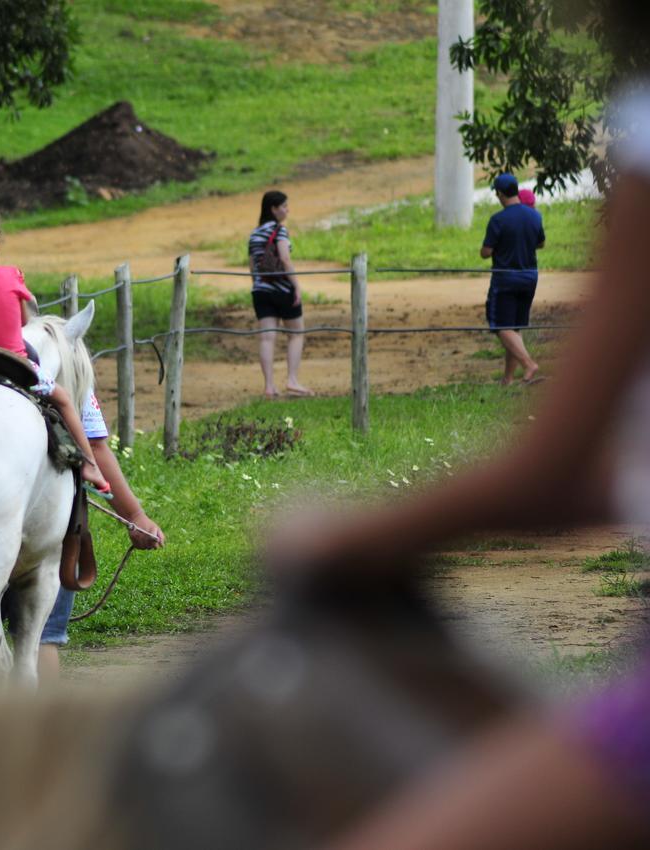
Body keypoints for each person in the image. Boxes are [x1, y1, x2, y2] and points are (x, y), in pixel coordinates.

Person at [267, 94, 650, 848]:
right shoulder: (533, 216)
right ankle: (523, 371)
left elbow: (549, 475)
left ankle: (527, 368)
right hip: (533, 270)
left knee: (500, 325)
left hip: (504, 274)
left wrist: (348, 538)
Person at [0, 202, 109, 493]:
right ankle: (90, 464)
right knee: (64, 399)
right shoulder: (11, 276)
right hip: (15, 364)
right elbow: (23, 322)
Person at [36, 413, 167, 682]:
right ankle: (45, 722)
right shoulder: (64, 371)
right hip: (49, 520)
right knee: (43, 637)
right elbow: (94, 445)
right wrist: (135, 515)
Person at [482, 173, 546, 386]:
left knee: (501, 326)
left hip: (505, 279)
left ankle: (529, 364)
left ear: (500, 193)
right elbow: (540, 243)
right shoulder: (534, 216)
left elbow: (486, 251)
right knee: (514, 328)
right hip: (530, 277)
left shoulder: (498, 220)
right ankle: (507, 379)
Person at [249, 190, 313, 399]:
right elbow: (285, 259)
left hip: (260, 290)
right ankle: (292, 380)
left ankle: (269, 386)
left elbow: (253, 267)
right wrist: (296, 285)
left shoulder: (254, 234)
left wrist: (260, 286)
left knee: (267, 339)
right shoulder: (280, 231)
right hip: (282, 289)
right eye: (284, 206)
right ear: (273, 209)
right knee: (296, 333)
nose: (287, 210)